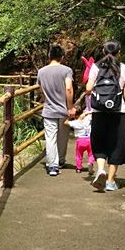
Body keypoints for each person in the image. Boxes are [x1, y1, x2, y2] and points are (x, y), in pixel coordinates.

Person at [86, 40, 125, 192]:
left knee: (99, 142)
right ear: (119, 52)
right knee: (116, 145)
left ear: (102, 51)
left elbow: (88, 89)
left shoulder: (95, 67)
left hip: (99, 112)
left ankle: (101, 169)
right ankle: (110, 181)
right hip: (118, 112)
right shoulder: (123, 68)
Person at [37, 45, 75, 176]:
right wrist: (70, 107)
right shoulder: (66, 70)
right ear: (62, 56)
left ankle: (52, 166)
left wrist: (47, 100)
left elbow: (41, 90)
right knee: (63, 138)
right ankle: (61, 161)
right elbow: (69, 88)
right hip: (63, 110)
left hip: (49, 110)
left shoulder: (41, 71)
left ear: (49, 56)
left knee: (50, 138)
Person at [65, 107, 94, 174]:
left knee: (79, 155)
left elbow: (65, 122)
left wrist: (69, 116)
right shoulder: (88, 118)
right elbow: (93, 112)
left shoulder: (75, 122)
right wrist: (86, 113)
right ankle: (90, 162)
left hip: (80, 140)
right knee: (91, 154)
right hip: (89, 139)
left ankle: (78, 168)